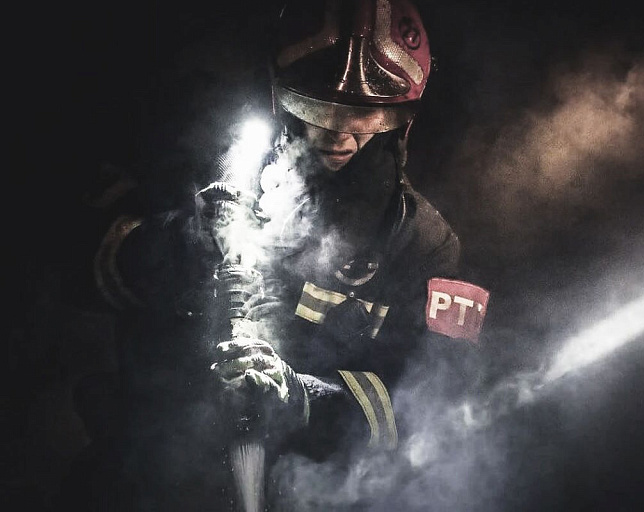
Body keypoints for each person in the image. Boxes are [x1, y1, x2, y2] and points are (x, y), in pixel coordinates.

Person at [62, 1, 490, 510]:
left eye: (363, 115)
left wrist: (302, 397)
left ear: (400, 120)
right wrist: (183, 242)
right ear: (279, 91)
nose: (338, 132)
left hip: (308, 490)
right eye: (319, 108)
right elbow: (76, 269)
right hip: (153, 473)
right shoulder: (210, 165)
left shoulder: (422, 243)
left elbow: (434, 397)